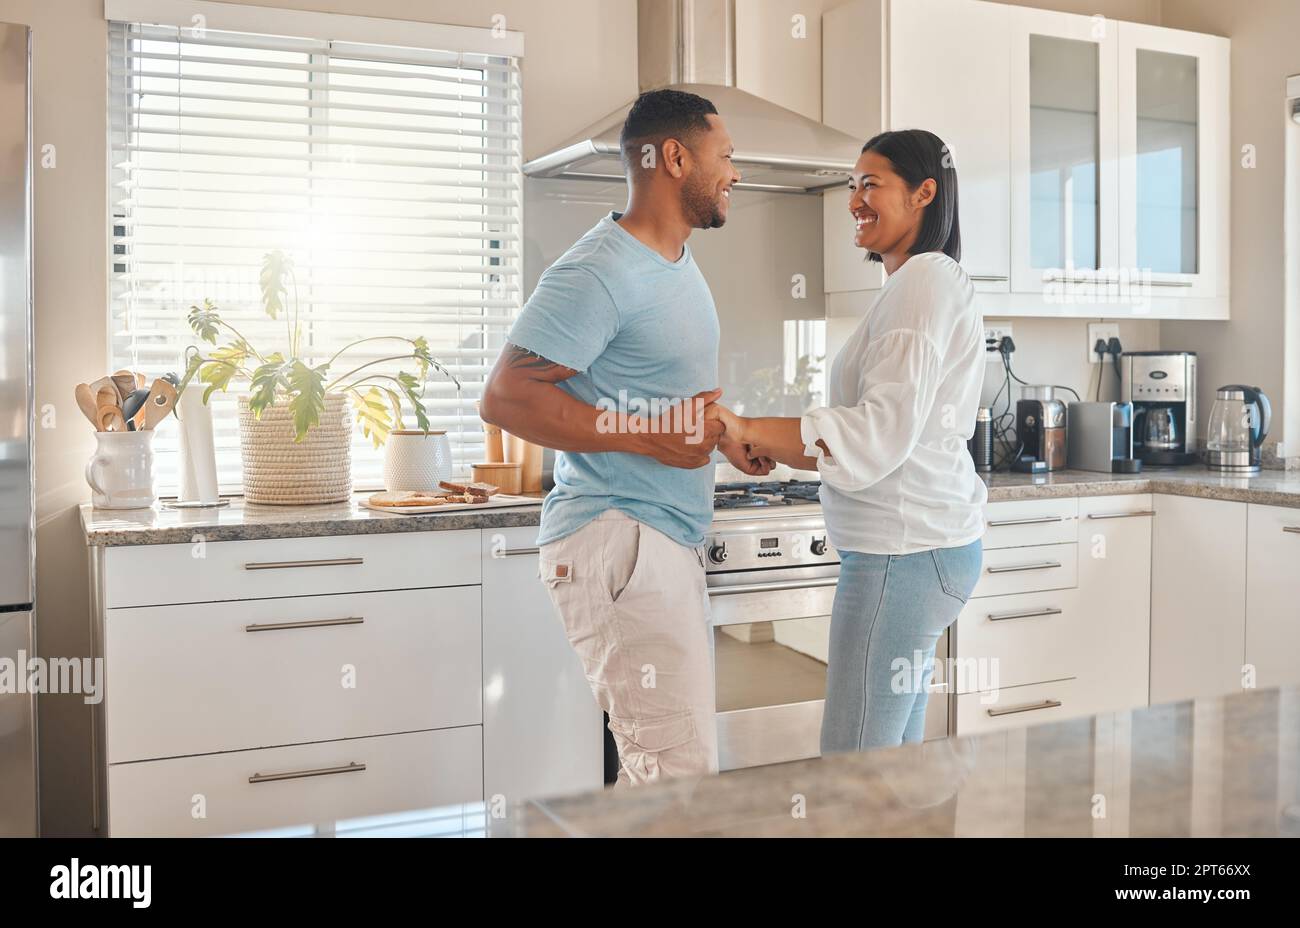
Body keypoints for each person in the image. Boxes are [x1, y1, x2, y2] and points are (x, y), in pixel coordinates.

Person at [480, 89, 768, 785]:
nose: (736, 173)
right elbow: (505, 397)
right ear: (674, 158)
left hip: (658, 539)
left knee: (668, 776)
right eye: (725, 156)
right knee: (677, 780)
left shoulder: (672, 263)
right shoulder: (600, 268)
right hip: (620, 535)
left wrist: (718, 436)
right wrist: (653, 440)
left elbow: (651, 399)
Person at [707, 129, 987, 751]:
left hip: (904, 552)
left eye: (872, 183)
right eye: (851, 184)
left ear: (924, 193)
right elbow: (880, 425)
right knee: (887, 765)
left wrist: (749, 427)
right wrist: (769, 441)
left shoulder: (923, 282)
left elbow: (876, 433)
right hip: (919, 548)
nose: (855, 198)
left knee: (853, 767)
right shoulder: (917, 285)